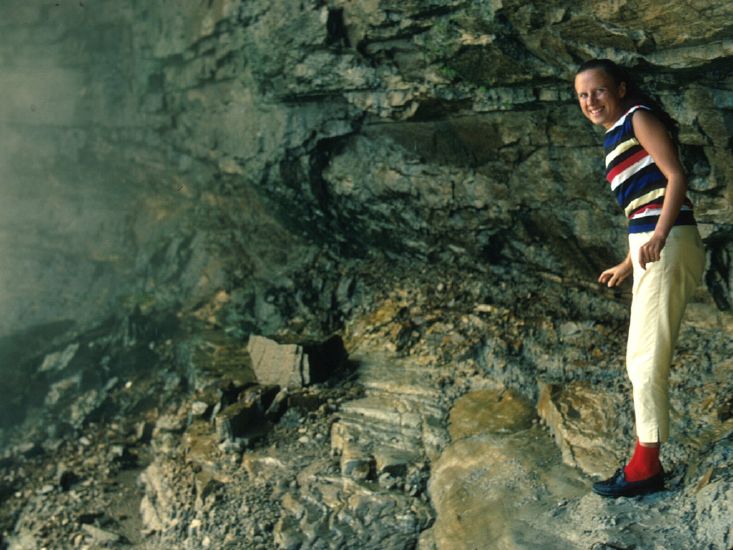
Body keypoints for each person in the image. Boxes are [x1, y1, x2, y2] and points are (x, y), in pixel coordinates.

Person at [573, 59, 705, 498]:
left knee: (645, 359)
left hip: (667, 241)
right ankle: (643, 459)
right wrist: (627, 263)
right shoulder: (614, 137)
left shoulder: (637, 119)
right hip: (650, 245)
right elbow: (641, 209)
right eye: (583, 95)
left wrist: (661, 236)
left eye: (598, 91)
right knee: (639, 357)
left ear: (620, 89)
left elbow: (675, 178)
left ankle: (646, 466)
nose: (591, 101)